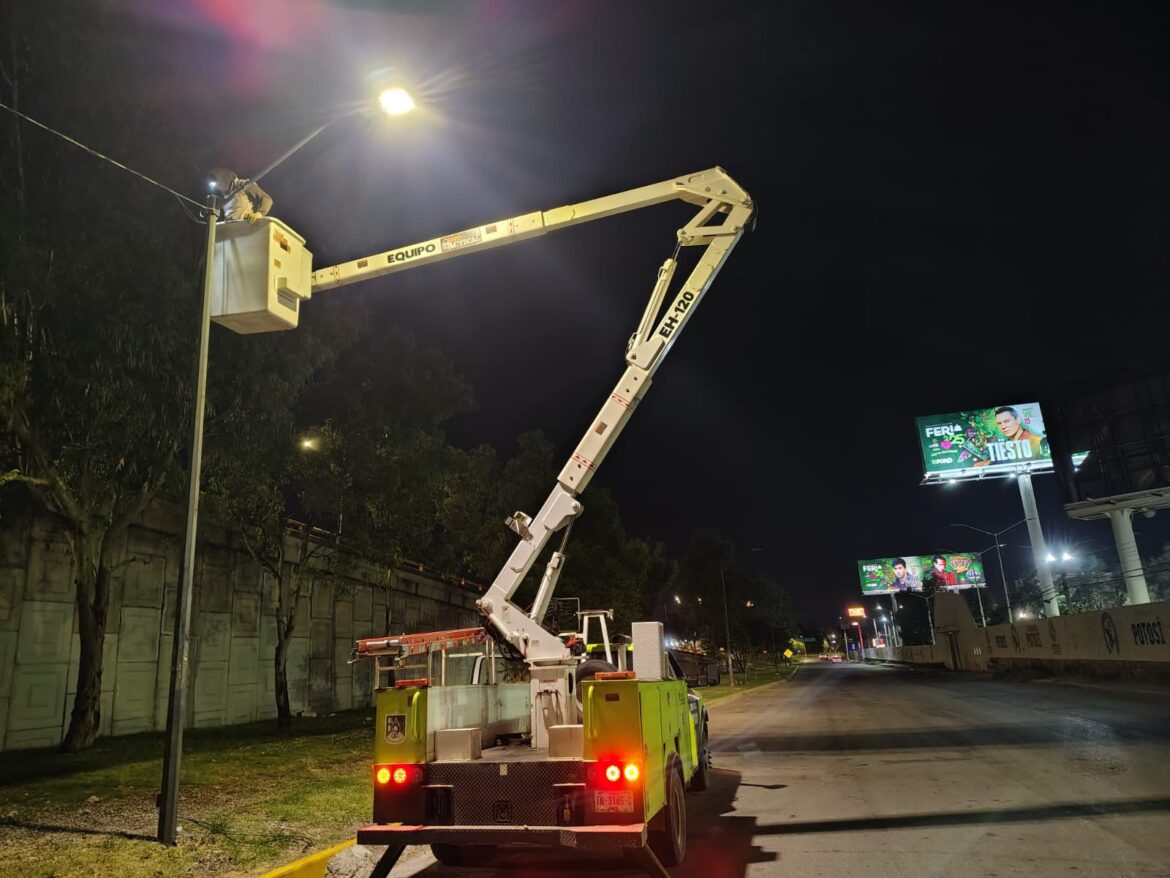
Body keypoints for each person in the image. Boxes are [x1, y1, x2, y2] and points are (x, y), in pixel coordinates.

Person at [208, 167, 273, 222]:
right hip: (232, 232)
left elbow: (267, 199)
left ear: (224, 179)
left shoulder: (243, 185)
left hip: (247, 229)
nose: (218, 188)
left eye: (218, 184)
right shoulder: (225, 197)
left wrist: (259, 214)